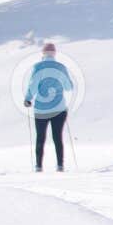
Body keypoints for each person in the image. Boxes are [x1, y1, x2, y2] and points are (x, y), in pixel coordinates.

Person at [24, 41, 74, 172]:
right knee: (57, 137)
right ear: (54, 54)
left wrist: (28, 99)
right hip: (59, 109)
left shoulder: (37, 67)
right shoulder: (61, 67)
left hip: (41, 110)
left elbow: (33, 86)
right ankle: (60, 165)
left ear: (43, 53)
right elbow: (69, 87)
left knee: (40, 137)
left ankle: (38, 166)